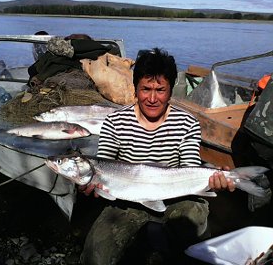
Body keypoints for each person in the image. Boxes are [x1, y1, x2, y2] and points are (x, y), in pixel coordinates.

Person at [79, 48, 235, 265]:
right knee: (96, 253)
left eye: (160, 90)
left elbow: (189, 167)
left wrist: (212, 182)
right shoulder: (114, 121)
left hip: (176, 197)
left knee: (193, 226)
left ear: (170, 91)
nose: (152, 98)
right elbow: (103, 162)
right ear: (136, 89)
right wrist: (91, 185)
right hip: (128, 199)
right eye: (145, 89)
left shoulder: (187, 123)